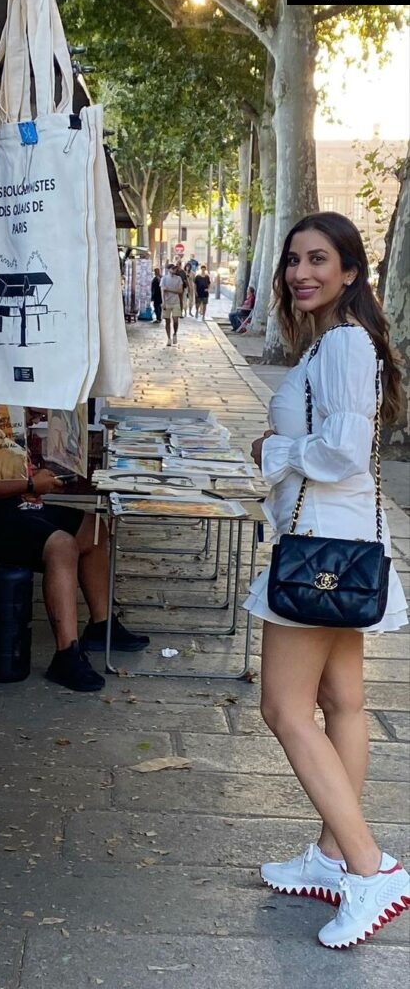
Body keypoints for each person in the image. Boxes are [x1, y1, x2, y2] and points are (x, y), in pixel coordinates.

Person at [245, 212, 409, 948]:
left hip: (320, 548)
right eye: (291, 260)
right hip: (343, 542)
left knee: (282, 709)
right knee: (341, 702)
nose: (299, 272)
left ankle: (370, 869)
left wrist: (272, 448)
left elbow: (342, 450)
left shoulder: (342, 342)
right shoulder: (337, 342)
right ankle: (330, 854)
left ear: (349, 271)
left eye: (317, 259)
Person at [0, 472, 150, 692]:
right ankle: (66, 655)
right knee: (61, 546)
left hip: (5, 506)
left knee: (93, 528)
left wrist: (26, 487)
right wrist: (30, 484)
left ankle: (102, 626)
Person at [160, 263, 184, 345]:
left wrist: (169, 290)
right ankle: (168, 338)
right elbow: (162, 291)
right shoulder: (164, 279)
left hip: (176, 302)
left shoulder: (178, 278)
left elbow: (180, 291)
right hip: (167, 302)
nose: (175, 270)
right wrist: (163, 302)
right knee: (167, 321)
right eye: (173, 268)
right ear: (168, 270)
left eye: (175, 269)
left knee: (175, 320)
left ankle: (175, 334)